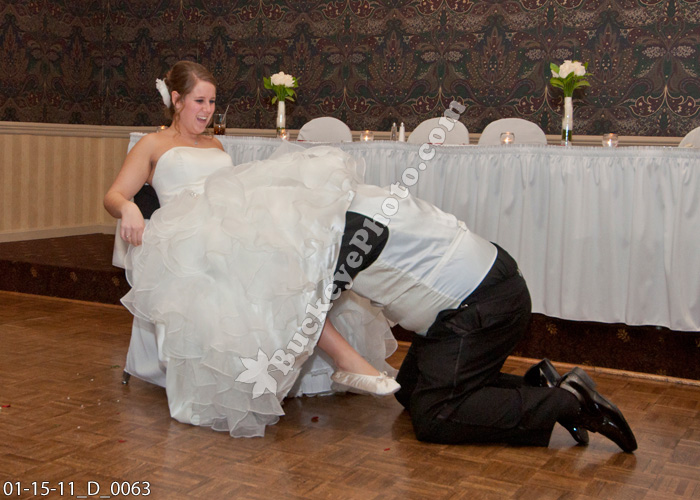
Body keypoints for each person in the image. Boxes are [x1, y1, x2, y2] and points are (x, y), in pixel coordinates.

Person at [104, 61, 399, 438]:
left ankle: (332, 358)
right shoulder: (153, 144)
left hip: (224, 224)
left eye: (212, 101)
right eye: (199, 101)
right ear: (176, 100)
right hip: (183, 236)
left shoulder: (215, 144)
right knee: (256, 260)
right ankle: (344, 358)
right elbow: (114, 195)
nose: (207, 110)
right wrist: (129, 208)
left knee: (288, 253)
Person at [329, 182, 638, 452]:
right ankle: (541, 388)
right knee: (410, 390)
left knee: (436, 414)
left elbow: (311, 313)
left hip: (481, 305)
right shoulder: (348, 199)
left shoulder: (350, 233)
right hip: (475, 295)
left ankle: (569, 404)